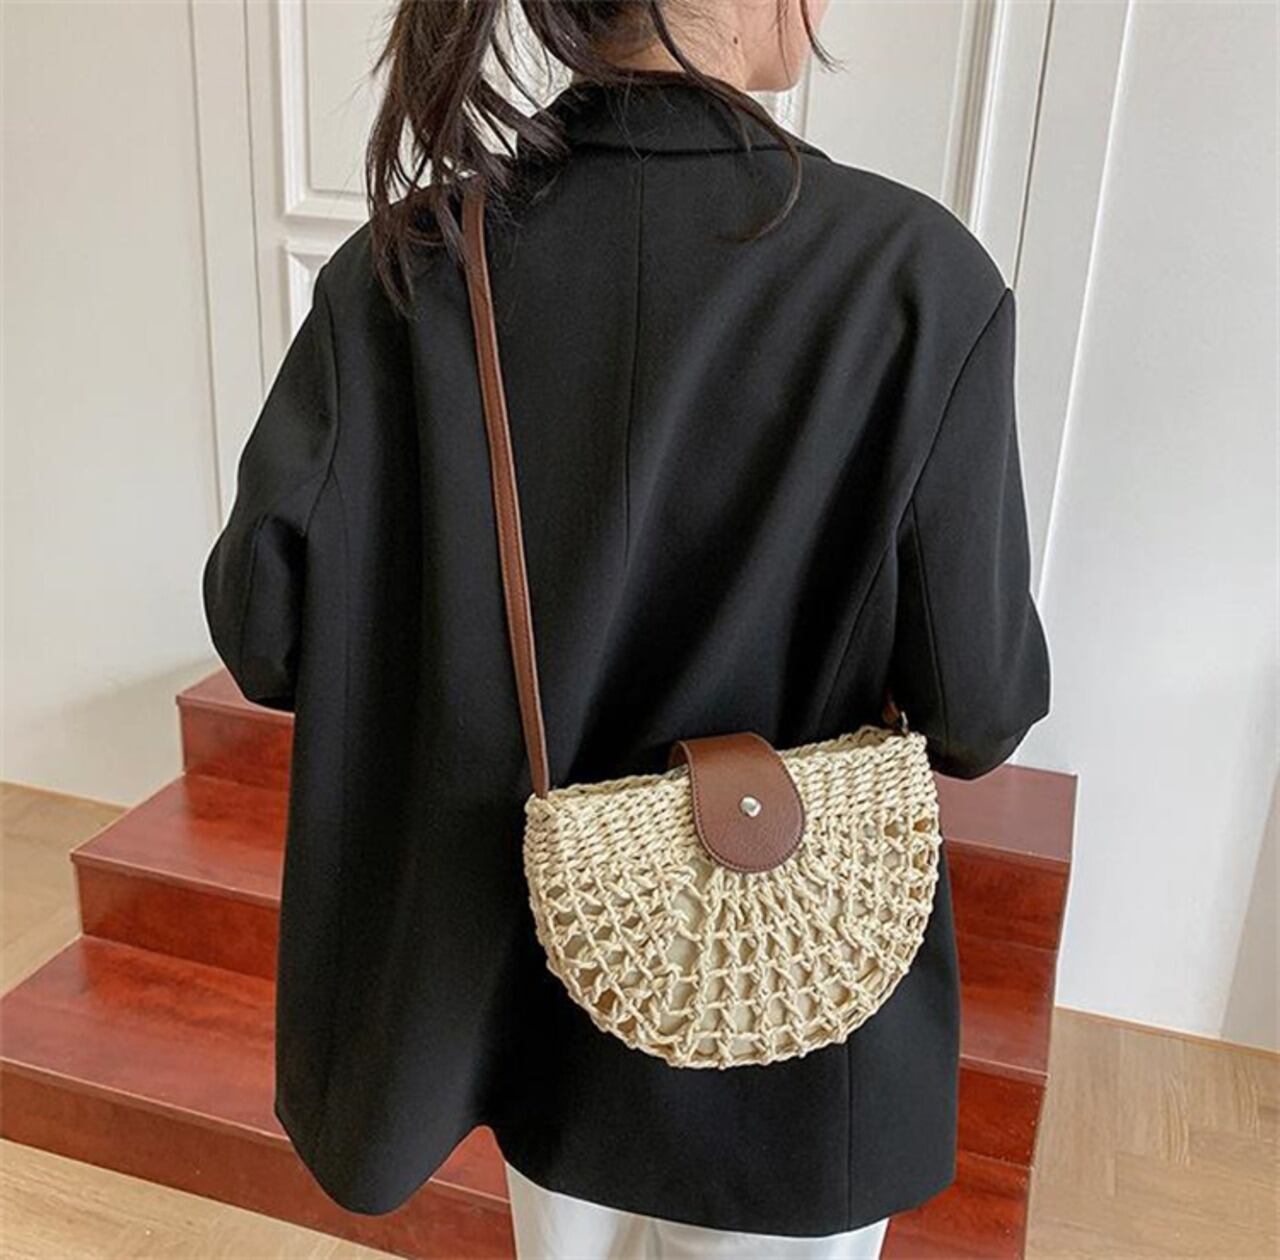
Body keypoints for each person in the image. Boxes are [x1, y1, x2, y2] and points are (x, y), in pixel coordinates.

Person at [202, 0, 1051, 1256]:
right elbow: (976, 711)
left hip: (540, 1003)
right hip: (798, 1026)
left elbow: (266, 634)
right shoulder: (914, 277)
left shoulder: (410, 268)